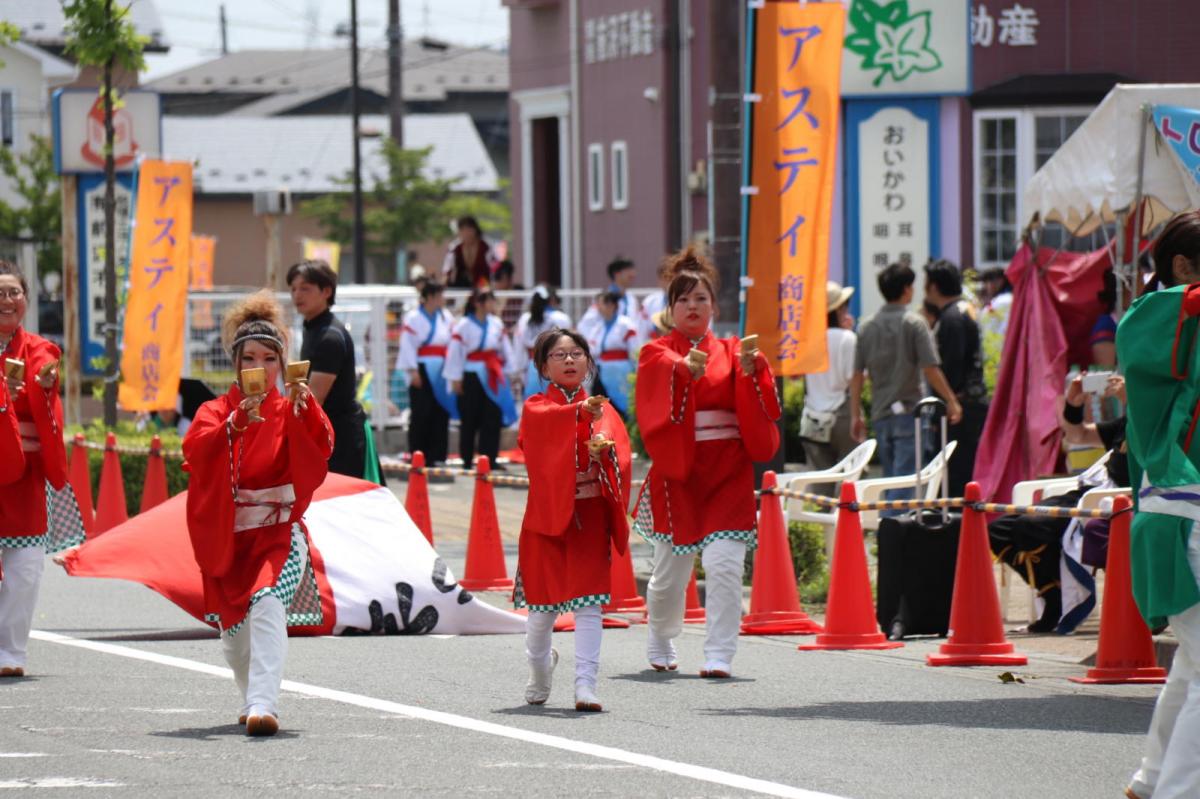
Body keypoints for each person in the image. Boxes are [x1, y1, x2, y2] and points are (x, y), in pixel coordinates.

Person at [181, 291, 333, 736]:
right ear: (235, 362)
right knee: (234, 640)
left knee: (267, 603)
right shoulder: (215, 412)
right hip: (230, 542)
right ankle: (252, 698)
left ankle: (264, 702)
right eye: (250, 357)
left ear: (282, 364)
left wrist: (308, 413)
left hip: (279, 536)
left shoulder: (291, 409)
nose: (260, 367)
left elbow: (322, 447)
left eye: (270, 358)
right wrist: (233, 427)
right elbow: (195, 450)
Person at [632, 247, 780, 678]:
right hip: (680, 472)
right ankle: (661, 633)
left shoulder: (734, 350)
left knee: (725, 564)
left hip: (727, 469)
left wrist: (755, 370)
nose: (693, 307)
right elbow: (658, 378)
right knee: (669, 576)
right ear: (670, 309)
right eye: (683, 300)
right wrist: (683, 371)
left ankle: (719, 653)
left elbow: (760, 402)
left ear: (715, 306)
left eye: (701, 299)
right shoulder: (657, 352)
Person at [1119, 209, 1200, 799]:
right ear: (1180, 266)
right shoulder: (1158, 314)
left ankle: (1152, 779)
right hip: (1181, 516)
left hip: (1175, 513)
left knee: (1194, 664)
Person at [515, 328, 631, 712]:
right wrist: (578, 415)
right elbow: (541, 431)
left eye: (577, 353)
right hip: (547, 521)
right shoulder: (536, 407)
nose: (569, 360)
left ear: (588, 363)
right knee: (541, 614)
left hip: (590, 517)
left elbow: (623, 459)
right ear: (544, 367)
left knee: (589, 605)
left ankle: (586, 685)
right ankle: (539, 668)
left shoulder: (605, 411)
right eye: (559, 355)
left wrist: (606, 458)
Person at [988, 371, 1127, 633]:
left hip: (1113, 501)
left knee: (1032, 525)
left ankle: (1059, 600)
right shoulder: (1127, 422)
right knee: (998, 529)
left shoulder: (1155, 423)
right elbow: (1078, 435)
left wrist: (1132, 400)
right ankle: (1052, 592)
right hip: (1089, 492)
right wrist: (1074, 404)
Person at [0, 260, 76, 679]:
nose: (8, 301)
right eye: (0, 293)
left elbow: (46, 376)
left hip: (23, 472)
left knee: (25, 565)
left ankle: (11, 651)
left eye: (14, 292)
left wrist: (43, 386)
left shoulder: (41, 349)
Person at [850, 263, 962, 497]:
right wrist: (951, 401)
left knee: (890, 480)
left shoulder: (867, 326)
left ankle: (885, 527)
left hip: (881, 414)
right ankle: (888, 529)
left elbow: (857, 374)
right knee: (906, 485)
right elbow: (930, 368)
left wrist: (855, 414)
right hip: (910, 413)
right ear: (906, 290)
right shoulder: (914, 323)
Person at [288, 259, 377, 482]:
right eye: (293, 289)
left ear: (326, 291)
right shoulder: (313, 328)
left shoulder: (329, 336)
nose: (297, 295)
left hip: (340, 436)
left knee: (343, 505)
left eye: (305, 289)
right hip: (327, 431)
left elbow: (314, 398)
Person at [923, 259, 989, 496]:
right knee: (963, 470)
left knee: (955, 474)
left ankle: (956, 529)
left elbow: (950, 364)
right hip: (972, 402)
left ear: (933, 287)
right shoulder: (965, 309)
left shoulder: (951, 318)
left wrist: (948, 399)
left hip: (960, 407)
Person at [445, 288, 517, 468]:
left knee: (492, 416)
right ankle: (467, 459)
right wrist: (456, 378)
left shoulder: (496, 324)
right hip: (471, 374)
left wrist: (510, 371)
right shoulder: (463, 325)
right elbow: (455, 353)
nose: (493, 304)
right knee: (470, 417)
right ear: (478, 303)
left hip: (492, 372)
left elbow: (504, 348)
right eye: (490, 300)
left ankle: (490, 458)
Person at [800, 281, 857, 478]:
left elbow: (796, 376)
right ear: (839, 309)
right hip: (842, 414)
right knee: (850, 478)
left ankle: (820, 510)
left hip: (813, 416)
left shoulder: (808, 340)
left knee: (819, 481)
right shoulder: (848, 338)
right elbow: (855, 379)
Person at [397, 281, 456, 466]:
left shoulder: (446, 316)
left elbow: (452, 343)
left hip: (441, 369)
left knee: (441, 411)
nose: (442, 299)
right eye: (440, 295)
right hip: (421, 367)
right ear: (430, 297)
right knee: (422, 411)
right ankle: (418, 454)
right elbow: (407, 345)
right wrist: (413, 371)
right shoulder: (413, 317)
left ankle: (438, 455)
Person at [511, 285, 572, 400]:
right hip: (556, 364)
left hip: (532, 365)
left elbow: (518, 346)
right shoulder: (561, 318)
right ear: (550, 300)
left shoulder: (525, 319)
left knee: (533, 403)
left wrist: (517, 370)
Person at [585, 290, 638, 419]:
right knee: (600, 403)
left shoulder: (626, 324)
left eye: (601, 303)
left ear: (611, 305)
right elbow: (593, 349)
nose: (598, 307)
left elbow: (634, 349)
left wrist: (635, 370)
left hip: (621, 371)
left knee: (622, 404)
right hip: (601, 370)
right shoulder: (598, 326)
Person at [579, 257, 641, 343]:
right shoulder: (604, 299)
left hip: (629, 348)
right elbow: (585, 324)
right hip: (609, 349)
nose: (633, 274)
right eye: (628, 271)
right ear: (617, 274)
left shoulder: (631, 299)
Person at [442, 216, 495, 289]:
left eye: (469, 229)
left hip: (483, 282)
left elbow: (494, 267)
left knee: (483, 291)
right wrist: (444, 282)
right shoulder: (454, 247)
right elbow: (447, 268)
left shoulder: (486, 246)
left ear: (475, 230)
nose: (466, 233)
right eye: (463, 230)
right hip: (462, 284)